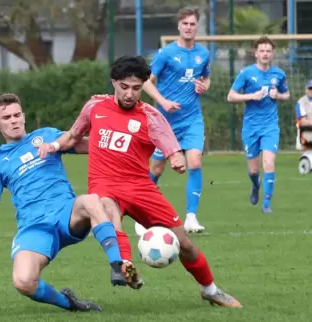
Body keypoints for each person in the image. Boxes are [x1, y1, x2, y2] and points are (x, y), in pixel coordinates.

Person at [38, 56, 242, 308]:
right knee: (109, 216)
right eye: (124, 87)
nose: (129, 94)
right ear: (114, 82)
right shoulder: (94, 107)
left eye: (136, 88)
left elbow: (170, 146)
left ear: (144, 85)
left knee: (185, 244)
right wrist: (55, 146)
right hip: (104, 184)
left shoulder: (150, 116)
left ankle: (210, 290)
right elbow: (72, 136)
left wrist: (176, 158)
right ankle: (123, 267)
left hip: (141, 187)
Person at [0, 93, 136, 312]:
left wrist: (122, 135)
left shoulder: (47, 136)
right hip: (34, 227)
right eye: (6, 118)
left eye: (16, 115)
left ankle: (118, 265)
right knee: (23, 281)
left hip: (66, 213)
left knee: (93, 201)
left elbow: (91, 145)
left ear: (23, 116)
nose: (13, 120)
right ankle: (70, 303)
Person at [136, 6, 211, 234]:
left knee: (195, 162)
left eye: (192, 24)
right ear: (179, 26)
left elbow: (206, 78)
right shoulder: (167, 53)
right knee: (157, 169)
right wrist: (163, 101)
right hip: (165, 122)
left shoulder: (203, 54)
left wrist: (203, 86)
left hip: (192, 119)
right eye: (185, 24)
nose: (189, 27)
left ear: (197, 27)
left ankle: (191, 217)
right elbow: (146, 81)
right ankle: (141, 217)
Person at [227, 36, 290, 213]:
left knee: (269, 164)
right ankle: (255, 185)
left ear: (272, 54)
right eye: (262, 51)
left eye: (268, 51)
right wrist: (250, 96)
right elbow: (231, 96)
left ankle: (266, 205)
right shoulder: (246, 73)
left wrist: (278, 95)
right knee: (254, 171)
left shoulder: (279, 74)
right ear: (256, 54)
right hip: (251, 127)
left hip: (270, 126)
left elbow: (287, 95)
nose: (265, 54)